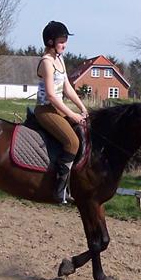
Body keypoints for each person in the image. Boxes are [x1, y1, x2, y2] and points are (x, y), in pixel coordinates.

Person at [34, 20, 88, 203]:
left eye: (65, 40)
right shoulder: (47, 62)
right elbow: (51, 95)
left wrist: (81, 107)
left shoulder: (60, 59)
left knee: (83, 133)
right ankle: (58, 189)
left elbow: (67, 89)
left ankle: (75, 184)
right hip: (46, 110)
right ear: (50, 42)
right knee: (72, 142)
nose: (65, 44)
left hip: (58, 109)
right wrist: (72, 115)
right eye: (61, 41)